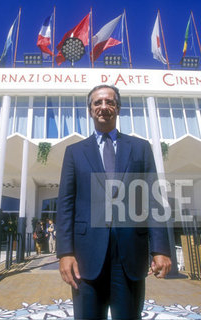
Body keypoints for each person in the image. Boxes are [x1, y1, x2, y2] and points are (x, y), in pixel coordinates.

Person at [56, 85, 171, 319]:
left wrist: (160, 248)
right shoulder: (75, 152)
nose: (103, 107)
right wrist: (65, 253)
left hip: (130, 255)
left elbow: (153, 199)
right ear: (90, 110)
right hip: (87, 258)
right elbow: (66, 205)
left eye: (109, 102)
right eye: (97, 103)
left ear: (117, 108)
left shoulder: (140, 148)